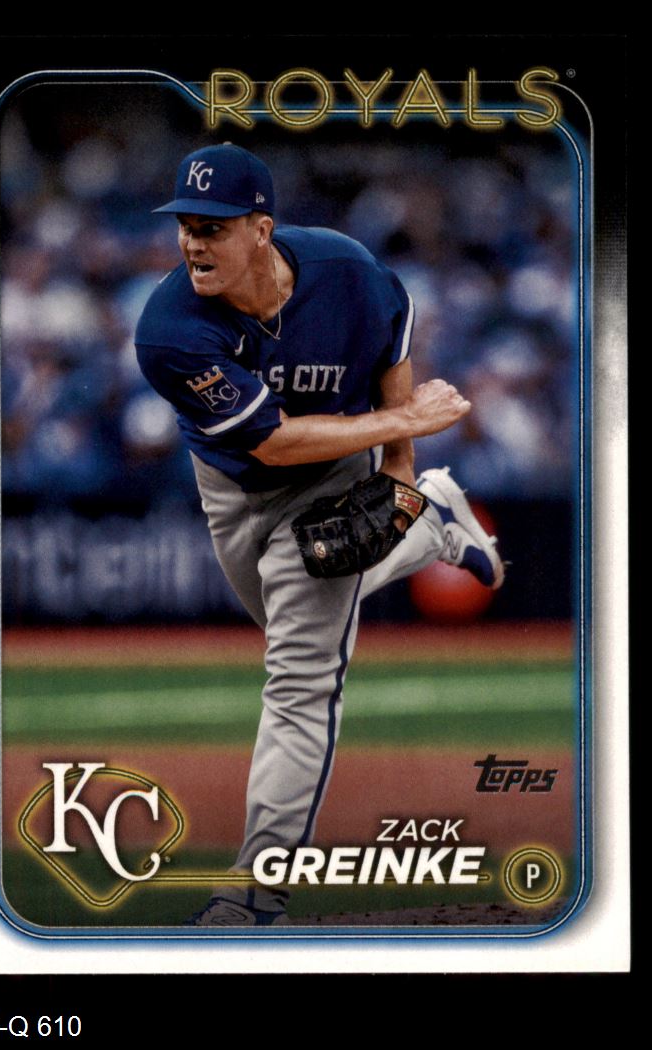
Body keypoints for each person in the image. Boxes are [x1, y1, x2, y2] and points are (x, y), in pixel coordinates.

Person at [135, 143, 503, 926]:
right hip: (232, 487)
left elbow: (392, 335)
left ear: (260, 229)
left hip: (333, 473)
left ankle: (253, 892)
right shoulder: (169, 329)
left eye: (212, 226)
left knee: (300, 675)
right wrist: (405, 427)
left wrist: (398, 465)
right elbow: (270, 443)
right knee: (288, 619)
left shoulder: (344, 269)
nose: (193, 242)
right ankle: (435, 520)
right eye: (186, 226)